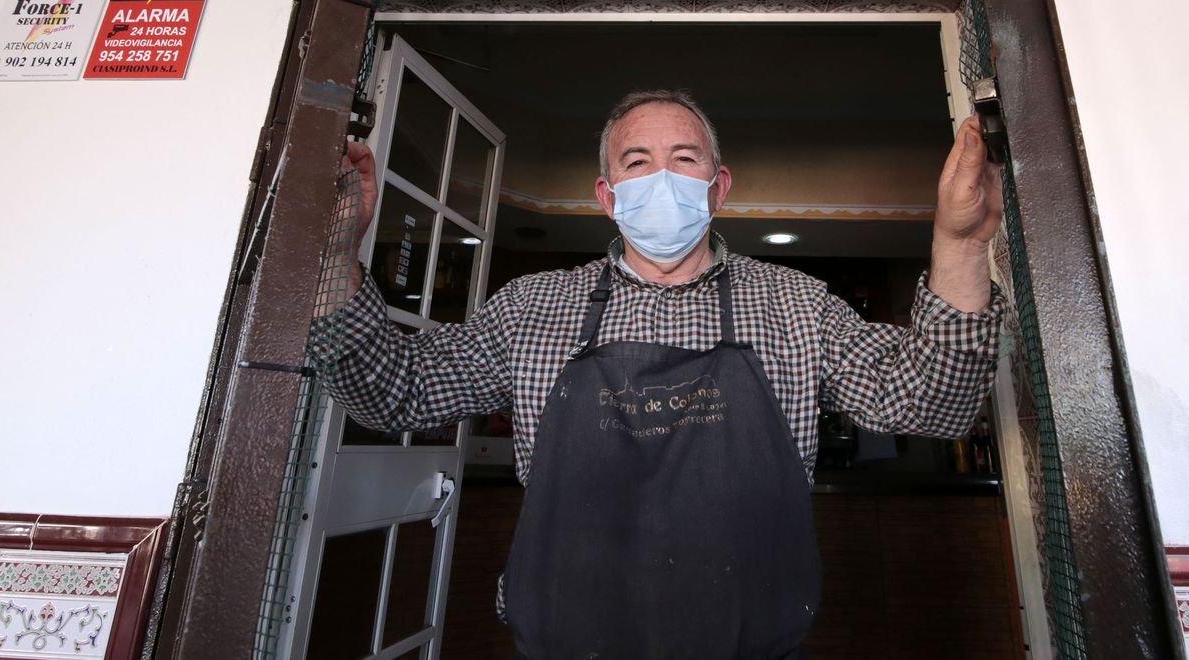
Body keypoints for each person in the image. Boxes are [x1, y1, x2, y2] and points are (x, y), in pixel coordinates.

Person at [313, 89, 1006, 660]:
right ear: (609, 196)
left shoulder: (796, 307)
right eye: (637, 162)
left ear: (718, 186)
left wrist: (963, 241)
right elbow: (393, 390)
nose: (662, 179)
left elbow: (930, 405)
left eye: (684, 159)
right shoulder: (533, 309)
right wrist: (338, 250)